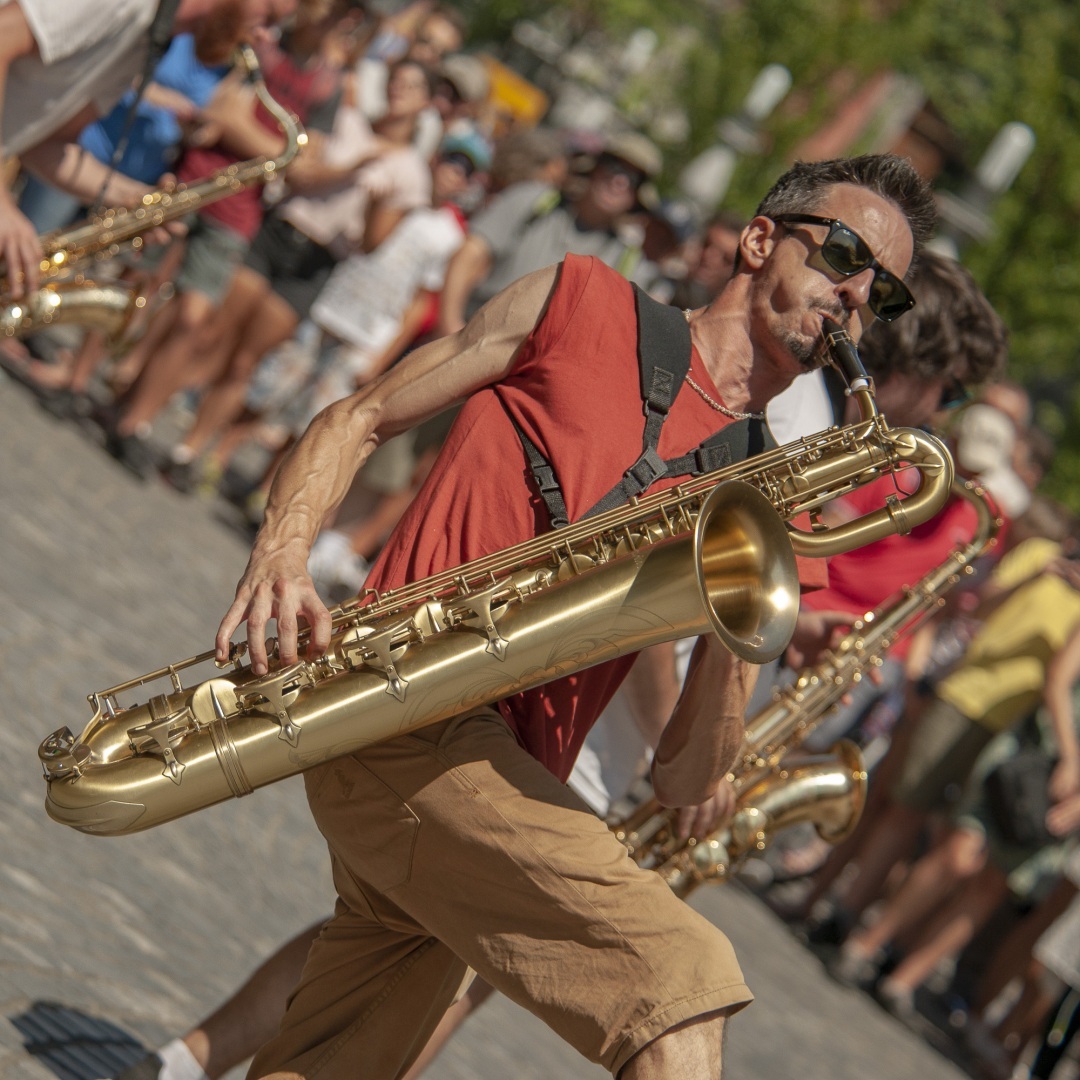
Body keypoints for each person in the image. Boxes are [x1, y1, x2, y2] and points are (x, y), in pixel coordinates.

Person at [205, 152, 933, 1079]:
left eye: (884, 293)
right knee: (683, 974)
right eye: (842, 255)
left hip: (498, 779)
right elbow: (362, 415)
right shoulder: (580, 300)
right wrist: (283, 556)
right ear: (759, 240)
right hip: (399, 702)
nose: (857, 297)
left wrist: (742, 630)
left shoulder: (773, 492)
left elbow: (685, 780)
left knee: (335, 1064)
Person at [0, 0, 294, 298]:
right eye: (268, 16)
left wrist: (134, 199)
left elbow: (45, 144)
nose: (267, 37)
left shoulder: (146, 43)